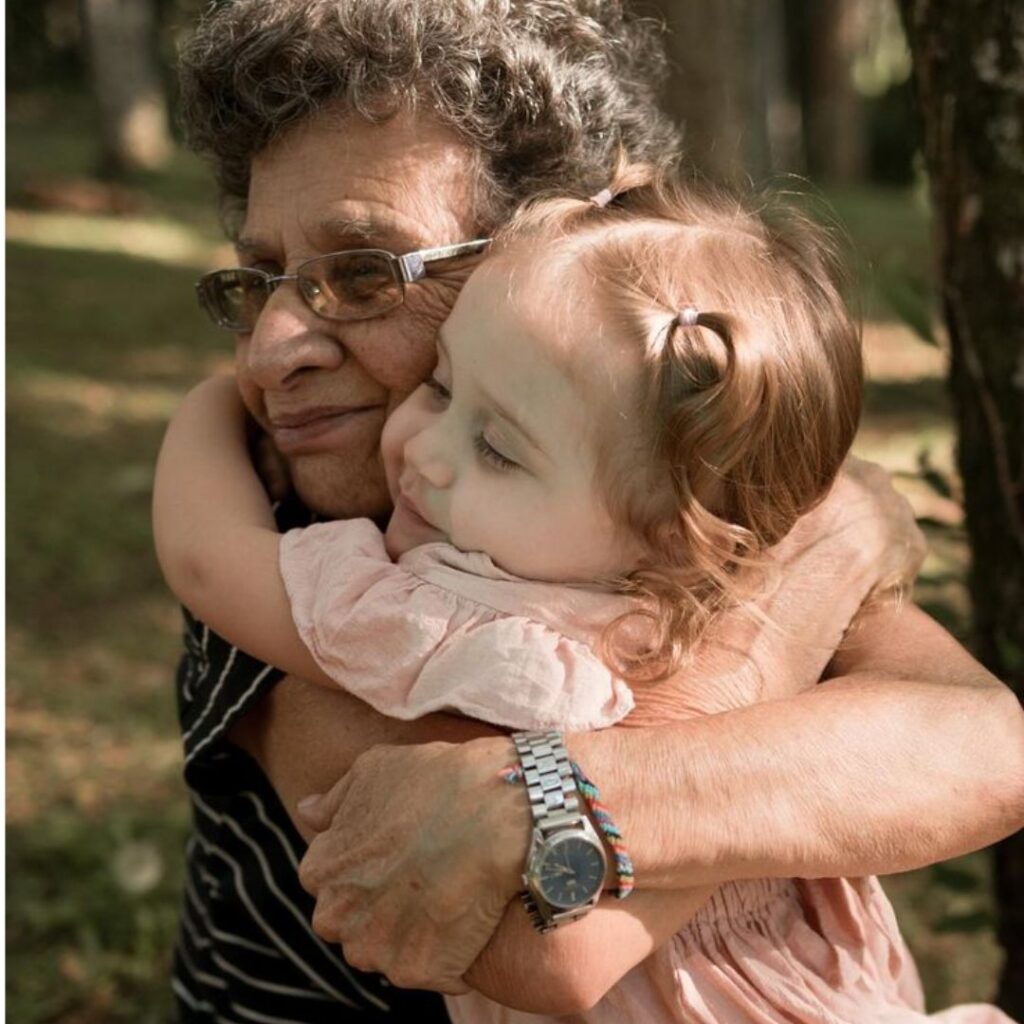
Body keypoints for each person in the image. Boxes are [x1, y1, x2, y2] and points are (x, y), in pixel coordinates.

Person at [169, 1, 1024, 1020]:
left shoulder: (667, 486)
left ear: (551, 246)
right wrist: (821, 561)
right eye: (258, 275)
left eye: (362, 272)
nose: (270, 348)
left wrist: (552, 792)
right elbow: (554, 952)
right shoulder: (301, 540)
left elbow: (981, 749)